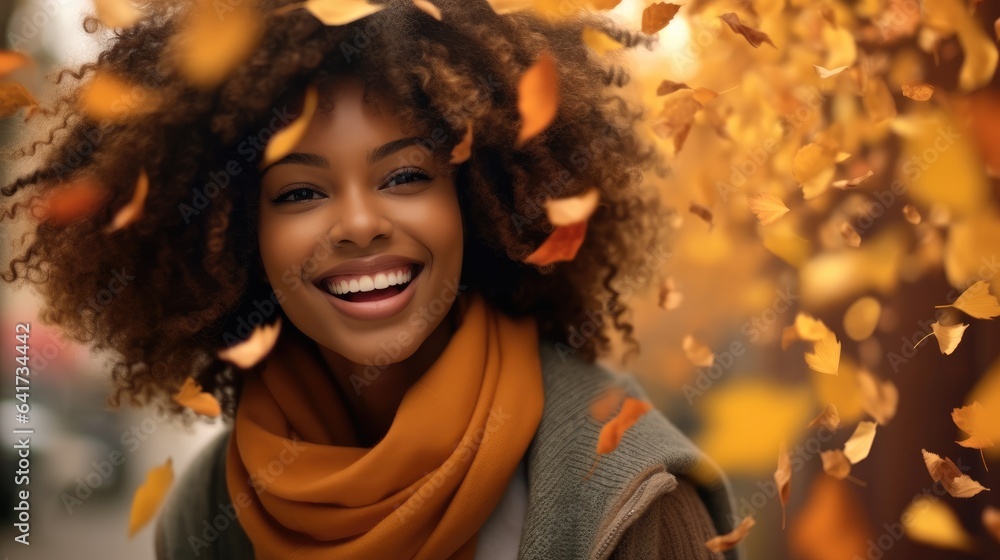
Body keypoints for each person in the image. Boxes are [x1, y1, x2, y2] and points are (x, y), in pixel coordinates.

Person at [1, 0, 742, 558]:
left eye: (406, 175)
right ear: (230, 235)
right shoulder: (210, 514)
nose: (358, 223)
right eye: (299, 192)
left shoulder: (634, 498)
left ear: (479, 201)